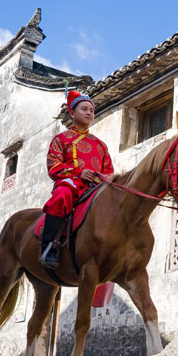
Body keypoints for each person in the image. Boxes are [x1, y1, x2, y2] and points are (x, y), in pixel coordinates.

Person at [40, 89, 114, 270]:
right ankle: (49, 246)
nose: (89, 112)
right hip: (70, 183)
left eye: (92, 110)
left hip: (95, 187)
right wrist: (78, 172)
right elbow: (53, 166)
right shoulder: (61, 139)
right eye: (84, 109)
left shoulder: (100, 144)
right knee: (61, 196)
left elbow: (109, 170)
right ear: (72, 113)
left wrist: (103, 179)